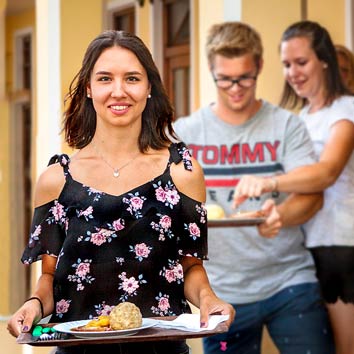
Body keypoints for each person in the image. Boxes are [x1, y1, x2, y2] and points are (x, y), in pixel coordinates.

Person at [6, 30, 235, 354]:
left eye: (131, 78)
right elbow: (50, 279)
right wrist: (32, 305)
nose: (118, 91)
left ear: (149, 87)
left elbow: (191, 269)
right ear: (88, 88)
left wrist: (209, 299)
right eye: (104, 78)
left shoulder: (182, 173)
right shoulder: (55, 180)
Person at [173, 21, 335, 354]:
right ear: (211, 71)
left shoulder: (287, 125)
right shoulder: (186, 133)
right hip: (221, 292)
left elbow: (312, 196)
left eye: (245, 78)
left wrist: (281, 216)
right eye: (225, 79)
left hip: (289, 281)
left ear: (260, 66)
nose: (235, 88)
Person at [234, 20, 354, 354]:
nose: (293, 72)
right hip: (306, 247)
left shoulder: (346, 110)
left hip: (342, 245)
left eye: (302, 62)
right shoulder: (300, 117)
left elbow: (327, 173)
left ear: (324, 60)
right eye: (287, 64)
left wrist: (268, 182)